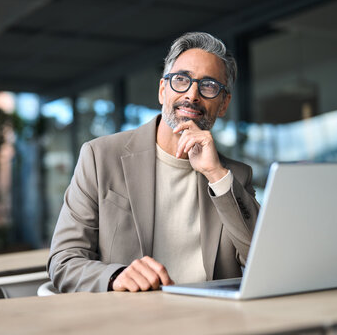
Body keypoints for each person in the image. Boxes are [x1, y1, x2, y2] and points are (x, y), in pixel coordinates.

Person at [48, 32, 260, 293]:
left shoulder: (234, 177)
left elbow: (262, 259)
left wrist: (216, 174)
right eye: (181, 79)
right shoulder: (100, 157)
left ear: (224, 103)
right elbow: (64, 261)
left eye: (208, 86)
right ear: (163, 90)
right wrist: (115, 277)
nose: (192, 95)